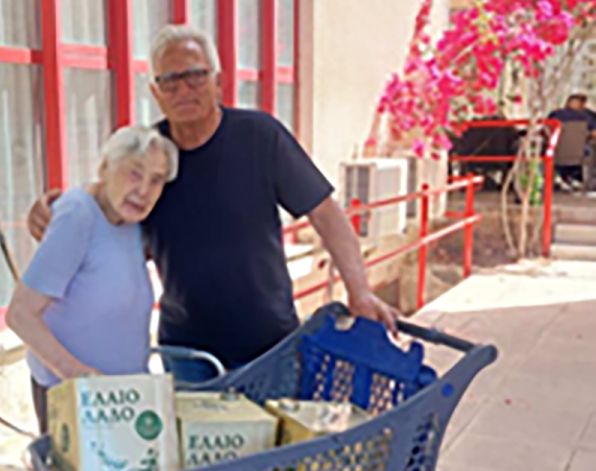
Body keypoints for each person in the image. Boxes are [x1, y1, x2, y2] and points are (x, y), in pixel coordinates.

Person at [27, 25, 400, 384]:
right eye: (170, 80)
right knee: (194, 433)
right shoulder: (152, 156)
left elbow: (325, 212)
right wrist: (58, 208)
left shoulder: (260, 137)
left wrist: (359, 290)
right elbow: (107, 202)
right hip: (187, 352)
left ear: (218, 81)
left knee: (274, 432)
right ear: (155, 93)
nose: (183, 89)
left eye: (195, 76)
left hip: (269, 345)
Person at [5, 125, 178, 435]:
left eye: (156, 180)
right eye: (134, 174)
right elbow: (20, 314)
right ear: (105, 168)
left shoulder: (131, 221)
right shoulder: (77, 215)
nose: (144, 190)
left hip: (122, 398)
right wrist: (78, 376)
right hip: (76, 398)